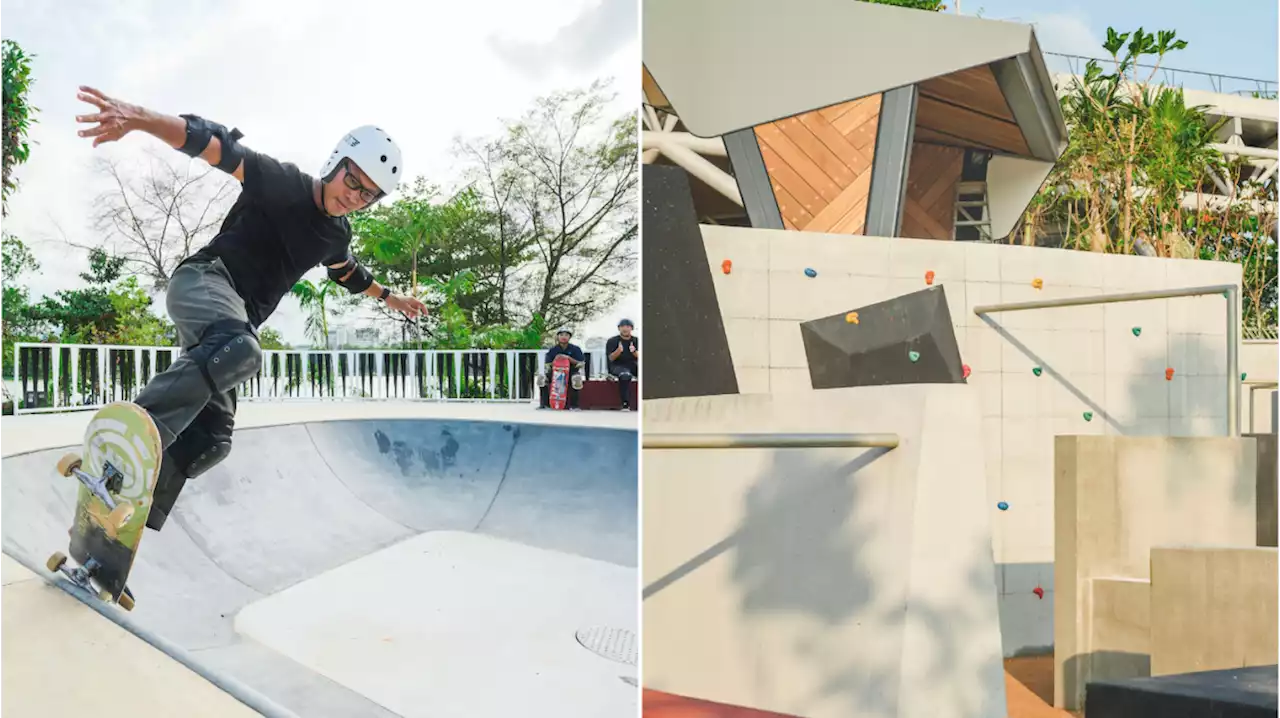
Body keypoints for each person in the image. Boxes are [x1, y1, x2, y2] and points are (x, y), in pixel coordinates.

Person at [74, 85, 428, 531]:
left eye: (368, 195)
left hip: (230, 323)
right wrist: (141, 118)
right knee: (241, 349)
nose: (354, 195)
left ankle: (120, 522)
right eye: (352, 180)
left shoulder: (337, 235)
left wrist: (393, 298)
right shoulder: (285, 184)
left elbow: (345, 271)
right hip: (204, 280)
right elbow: (215, 144)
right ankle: (123, 445)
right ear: (336, 163)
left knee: (212, 439)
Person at [537, 327, 585, 409]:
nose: (564, 337)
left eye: (566, 335)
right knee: (541, 379)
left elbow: (581, 363)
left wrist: (568, 358)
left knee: (576, 379)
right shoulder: (553, 350)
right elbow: (548, 364)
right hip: (555, 373)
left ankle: (574, 406)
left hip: (571, 372)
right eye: (561, 335)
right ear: (558, 337)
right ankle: (544, 404)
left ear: (569, 337)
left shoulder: (575, 349)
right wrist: (556, 360)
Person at [605, 319, 639, 410]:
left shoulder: (636, 340)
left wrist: (634, 352)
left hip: (632, 364)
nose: (625, 329)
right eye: (622, 327)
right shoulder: (612, 341)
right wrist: (618, 351)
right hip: (617, 365)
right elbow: (610, 358)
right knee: (625, 375)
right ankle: (625, 403)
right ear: (619, 328)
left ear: (631, 328)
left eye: (627, 327)